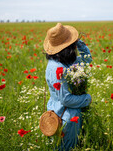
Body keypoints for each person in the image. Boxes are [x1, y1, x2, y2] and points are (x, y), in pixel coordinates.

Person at [43, 23, 92, 151]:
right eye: (72, 43)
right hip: (65, 117)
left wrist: (79, 42)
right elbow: (65, 99)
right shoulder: (57, 68)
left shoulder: (65, 61)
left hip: (69, 114)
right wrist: (87, 99)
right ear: (68, 47)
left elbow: (88, 60)